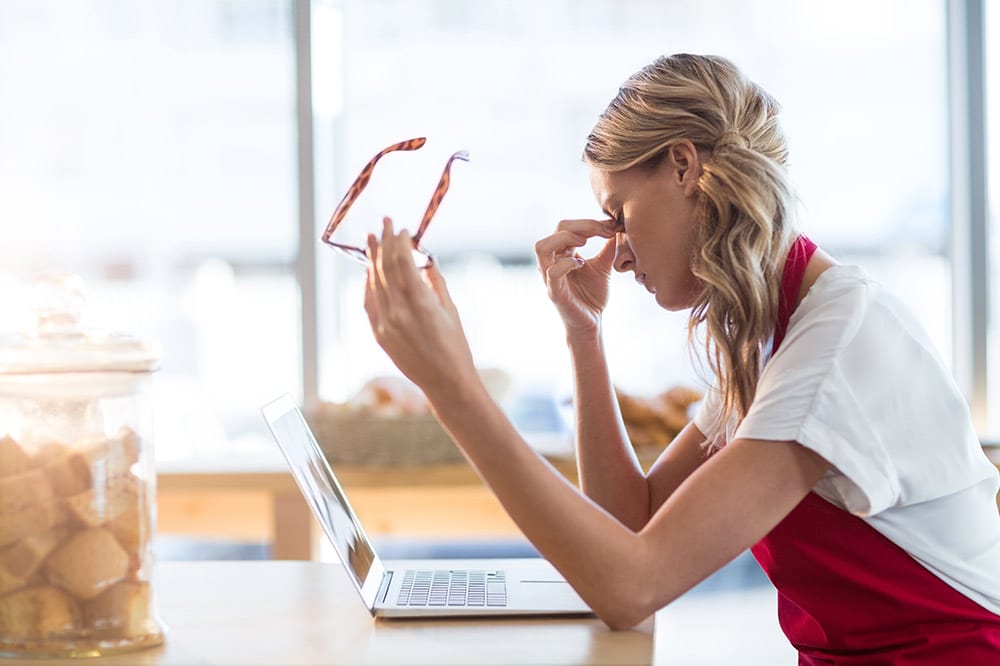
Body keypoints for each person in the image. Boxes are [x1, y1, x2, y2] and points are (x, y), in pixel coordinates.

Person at [359, 53, 1000, 662]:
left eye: (619, 213)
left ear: (684, 166)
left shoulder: (832, 342)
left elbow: (632, 586)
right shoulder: (772, 333)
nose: (620, 250)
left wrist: (452, 389)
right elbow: (629, 524)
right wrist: (584, 335)